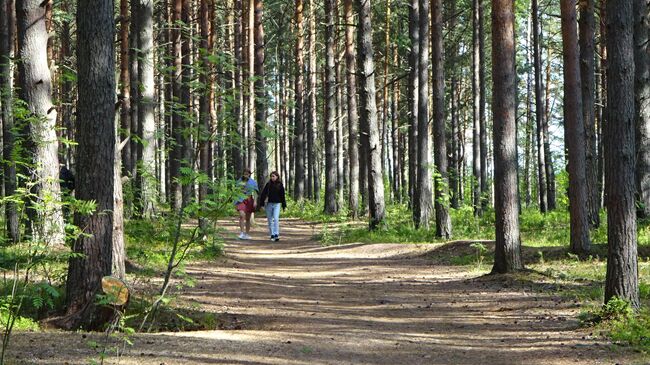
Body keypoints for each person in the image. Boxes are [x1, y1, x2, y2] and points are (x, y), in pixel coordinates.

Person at [257, 171, 287, 242]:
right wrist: (261, 204)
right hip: (269, 204)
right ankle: (272, 234)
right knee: (270, 220)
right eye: (271, 176)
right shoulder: (268, 185)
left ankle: (276, 234)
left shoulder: (280, 185)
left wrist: (284, 205)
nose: (272, 177)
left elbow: (282, 196)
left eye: (273, 176)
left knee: (276, 219)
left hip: (277, 204)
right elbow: (263, 195)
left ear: (277, 177)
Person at [235, 168, 258, 240]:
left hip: (249, 199)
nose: (246, 175)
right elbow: (235, 191)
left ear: (250, 175)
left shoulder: (253, 182)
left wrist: (255, 201)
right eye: (245, 174)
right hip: (240, 199)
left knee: (248, 218)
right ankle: (242, 233)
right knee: (242, 215)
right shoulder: (239, 181)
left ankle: (247, 234)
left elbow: (255, 192)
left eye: (247, 174)